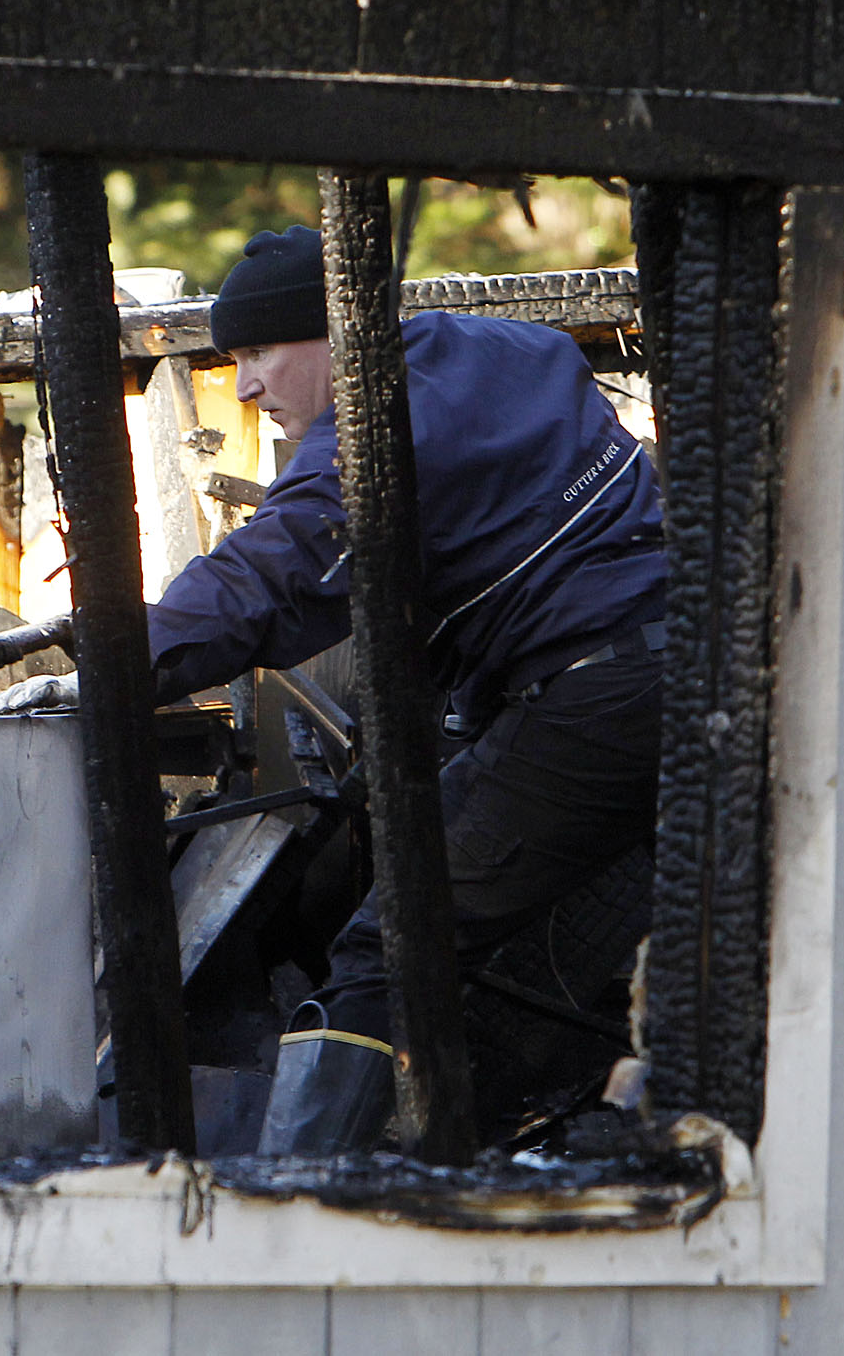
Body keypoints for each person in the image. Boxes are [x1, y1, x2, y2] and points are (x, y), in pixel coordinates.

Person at [93, 225, 669, 1155]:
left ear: (331, 334)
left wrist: (110, 670)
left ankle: (298, 1198)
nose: (242, 386)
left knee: (390, 943)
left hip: (591, 699)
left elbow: (264, 579)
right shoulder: (504, 348)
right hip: (677, 662)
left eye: (256, 354)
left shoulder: (374, 427)